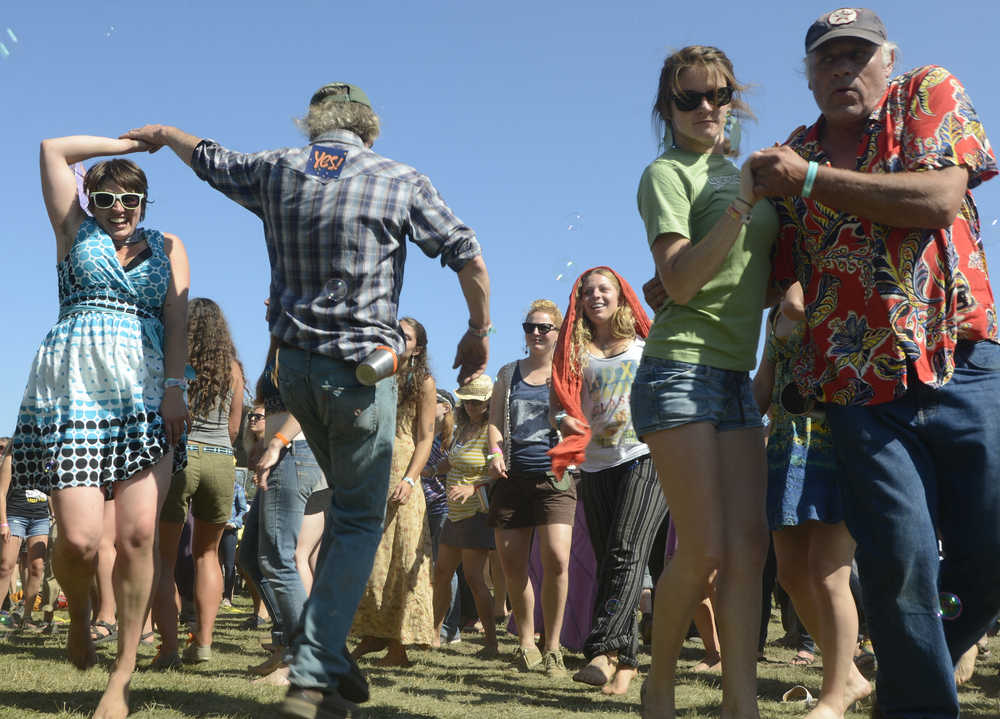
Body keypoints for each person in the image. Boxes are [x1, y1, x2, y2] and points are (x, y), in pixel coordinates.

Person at [123, 82, 490, 718]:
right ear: (369, 130)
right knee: (354, 518)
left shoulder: (278, 167)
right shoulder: (401, 179)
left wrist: (161, 134)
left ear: (312, 127)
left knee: (343, 508)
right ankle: (317, 667)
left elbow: (207, 156)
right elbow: (466, 253)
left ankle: (336, 665)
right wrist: (479, 330)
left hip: (293, 372)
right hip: (358, 376)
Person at [751, 9, 1000, 719]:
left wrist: (806, 181)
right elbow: (777, 271)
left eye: (857, 55)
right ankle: (916, 697)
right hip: (860, 390)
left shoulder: (927, 92)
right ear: (809, 76)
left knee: (987, 559)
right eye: (826, 60)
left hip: (964, 360)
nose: (842, 70)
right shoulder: (792, 150)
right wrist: (684, 277)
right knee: (899, 569)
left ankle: (907, 673)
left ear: (887, 60)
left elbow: (938, 197)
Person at [8, 135, 189, 719]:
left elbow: (179, 321)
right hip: (74, 393)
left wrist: (175, 391)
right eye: (107, 194)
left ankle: (122, 676)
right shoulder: (73, 231)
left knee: (137, 536)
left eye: (132, 196)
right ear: (91, 196)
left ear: (144, 201)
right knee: (82, 541)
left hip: (143, 396)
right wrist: (136, 142)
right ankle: (80, 614)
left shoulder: (168, 245)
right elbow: (52, 149)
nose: (119, 205)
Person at [631, 46, 776, 719]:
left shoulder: (748, 173)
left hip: (734, 375)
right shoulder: (666, 173)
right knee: (707, 547)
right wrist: (741, 205)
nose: (706, 109)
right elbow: (683, 280)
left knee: (749, 548)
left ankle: (738, 705)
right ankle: (658, 683)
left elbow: (767, 273)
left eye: (716, 95)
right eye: (689, 99)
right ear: (669, 108)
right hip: (679, 369)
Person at [752, 283, 871, 717]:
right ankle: (853, 678)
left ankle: (833, 695)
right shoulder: (772, 316)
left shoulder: (829, 287)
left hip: (834, 443)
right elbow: (765, 381)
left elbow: (797, 306)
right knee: (791, 575)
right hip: (787, 448)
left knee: (828, 573)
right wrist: (729, 428)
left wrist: (793, 274)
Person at [549, 267, 667, 695]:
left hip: (645, 457)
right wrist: (566, 424)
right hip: (595, 464)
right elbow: (558, 407)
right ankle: (628, 665)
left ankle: (601, 650)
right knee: (613, 561)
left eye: (604, 289)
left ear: (621, 297)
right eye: (587, 291)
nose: (595, 296)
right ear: (579, 302)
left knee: (625, 550)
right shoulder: (574, 352)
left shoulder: (643, 344)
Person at [151, 297, 244, 668]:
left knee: (164, 558)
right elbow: (235, 427)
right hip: (223, 463)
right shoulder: (233, 370)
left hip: (181, 458)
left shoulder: (175, 366)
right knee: (209, 556)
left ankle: (169, 648)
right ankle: (202, 643)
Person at [487, 300, 573, 677]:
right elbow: (494, 424)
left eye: (544, 327)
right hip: (510, 479)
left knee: (556, 558)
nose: (535, 333)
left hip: (555, 478)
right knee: (511, 565)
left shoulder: (570, 372)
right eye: (529, 327)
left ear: (558, 332)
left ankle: (553, 647)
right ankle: (525, 642)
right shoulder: (507, 374)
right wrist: (493, 451)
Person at [351, 317, 436, 665]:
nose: (401, 340)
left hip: (403, 472)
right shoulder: (373, 373)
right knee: (371, 559)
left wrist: (411, 479)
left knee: (401, 559)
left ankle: (399, 646)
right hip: (370, 468)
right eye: (396, 334)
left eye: (408, 337)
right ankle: (372, 633)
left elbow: (426, 437)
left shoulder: (424, 382)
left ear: (418, 347)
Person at [431, 375, 499, 658]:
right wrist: (428, 471)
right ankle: (433, 634)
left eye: (478, 402)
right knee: (442, 573)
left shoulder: (491, 432)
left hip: (477, 513)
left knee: (474, 578)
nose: (471, 406)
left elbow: (497, 472)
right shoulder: (463, 428)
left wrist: (472, 487)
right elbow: (451, 461)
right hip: (454, 513)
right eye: (467, 401)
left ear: (488, 403)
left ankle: (492, 642)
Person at [0, 436, 50, 632]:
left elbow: (52, 490)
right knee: (6, 566)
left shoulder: (48, 459)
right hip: (15, 516)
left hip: (40, 518)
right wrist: (3, 522)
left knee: (37, 567)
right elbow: (1, 492)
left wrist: (55, 516)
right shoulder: (13, 457)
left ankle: (27, 617)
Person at [220, 470, 250, 608]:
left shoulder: (238, 489)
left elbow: (243, 510)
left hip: (230, 531)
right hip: (214, 529)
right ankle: (215, 594)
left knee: (229, 564)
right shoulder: (217, 486)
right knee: (212, 562)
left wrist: (234, 523)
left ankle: (227, 597)